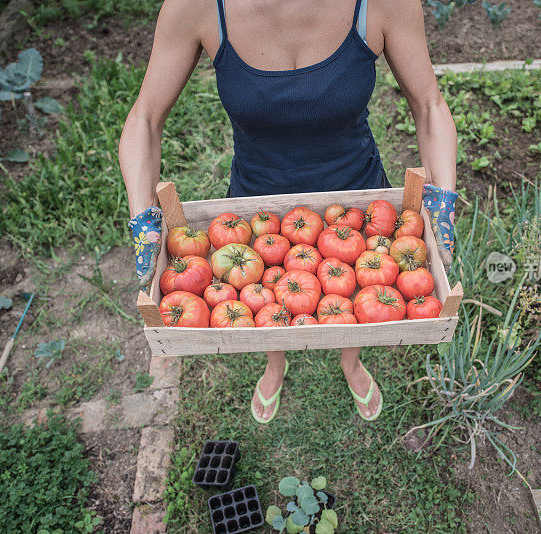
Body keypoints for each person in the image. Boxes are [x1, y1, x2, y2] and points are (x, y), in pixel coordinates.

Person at [119, 0, 458, 424]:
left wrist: (443, 199)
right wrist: (143, 217)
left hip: (355, 205)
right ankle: (274, 363)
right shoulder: (198, 6)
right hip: (256, 208)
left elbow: (429, 105)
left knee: (355, 297)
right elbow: (145, 119)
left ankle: (350, 362)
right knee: (260, 293)